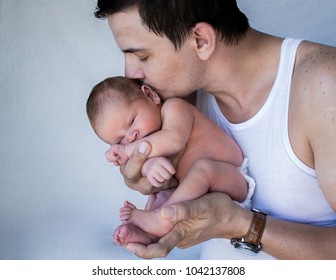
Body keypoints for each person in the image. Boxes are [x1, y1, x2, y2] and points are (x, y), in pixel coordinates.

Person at [94, 0, 336, 259]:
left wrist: (240, 225)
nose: (129, 73)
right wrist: (151, 179)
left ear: (200, 40)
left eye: (143, 56)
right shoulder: (176, 96)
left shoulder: (323, 85)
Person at [86, 76, 254, 246]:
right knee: (159, 193)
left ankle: (161, 217)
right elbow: (147, 159)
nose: (131, 137)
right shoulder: (150, 144)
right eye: (119, 140)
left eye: (132, 122)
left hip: (232, 179)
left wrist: (125, 150)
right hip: (200, 198)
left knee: (203, 169)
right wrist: (149, 165)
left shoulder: (174, 108)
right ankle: (148, 234)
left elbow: (173, 139)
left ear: (151, 96)